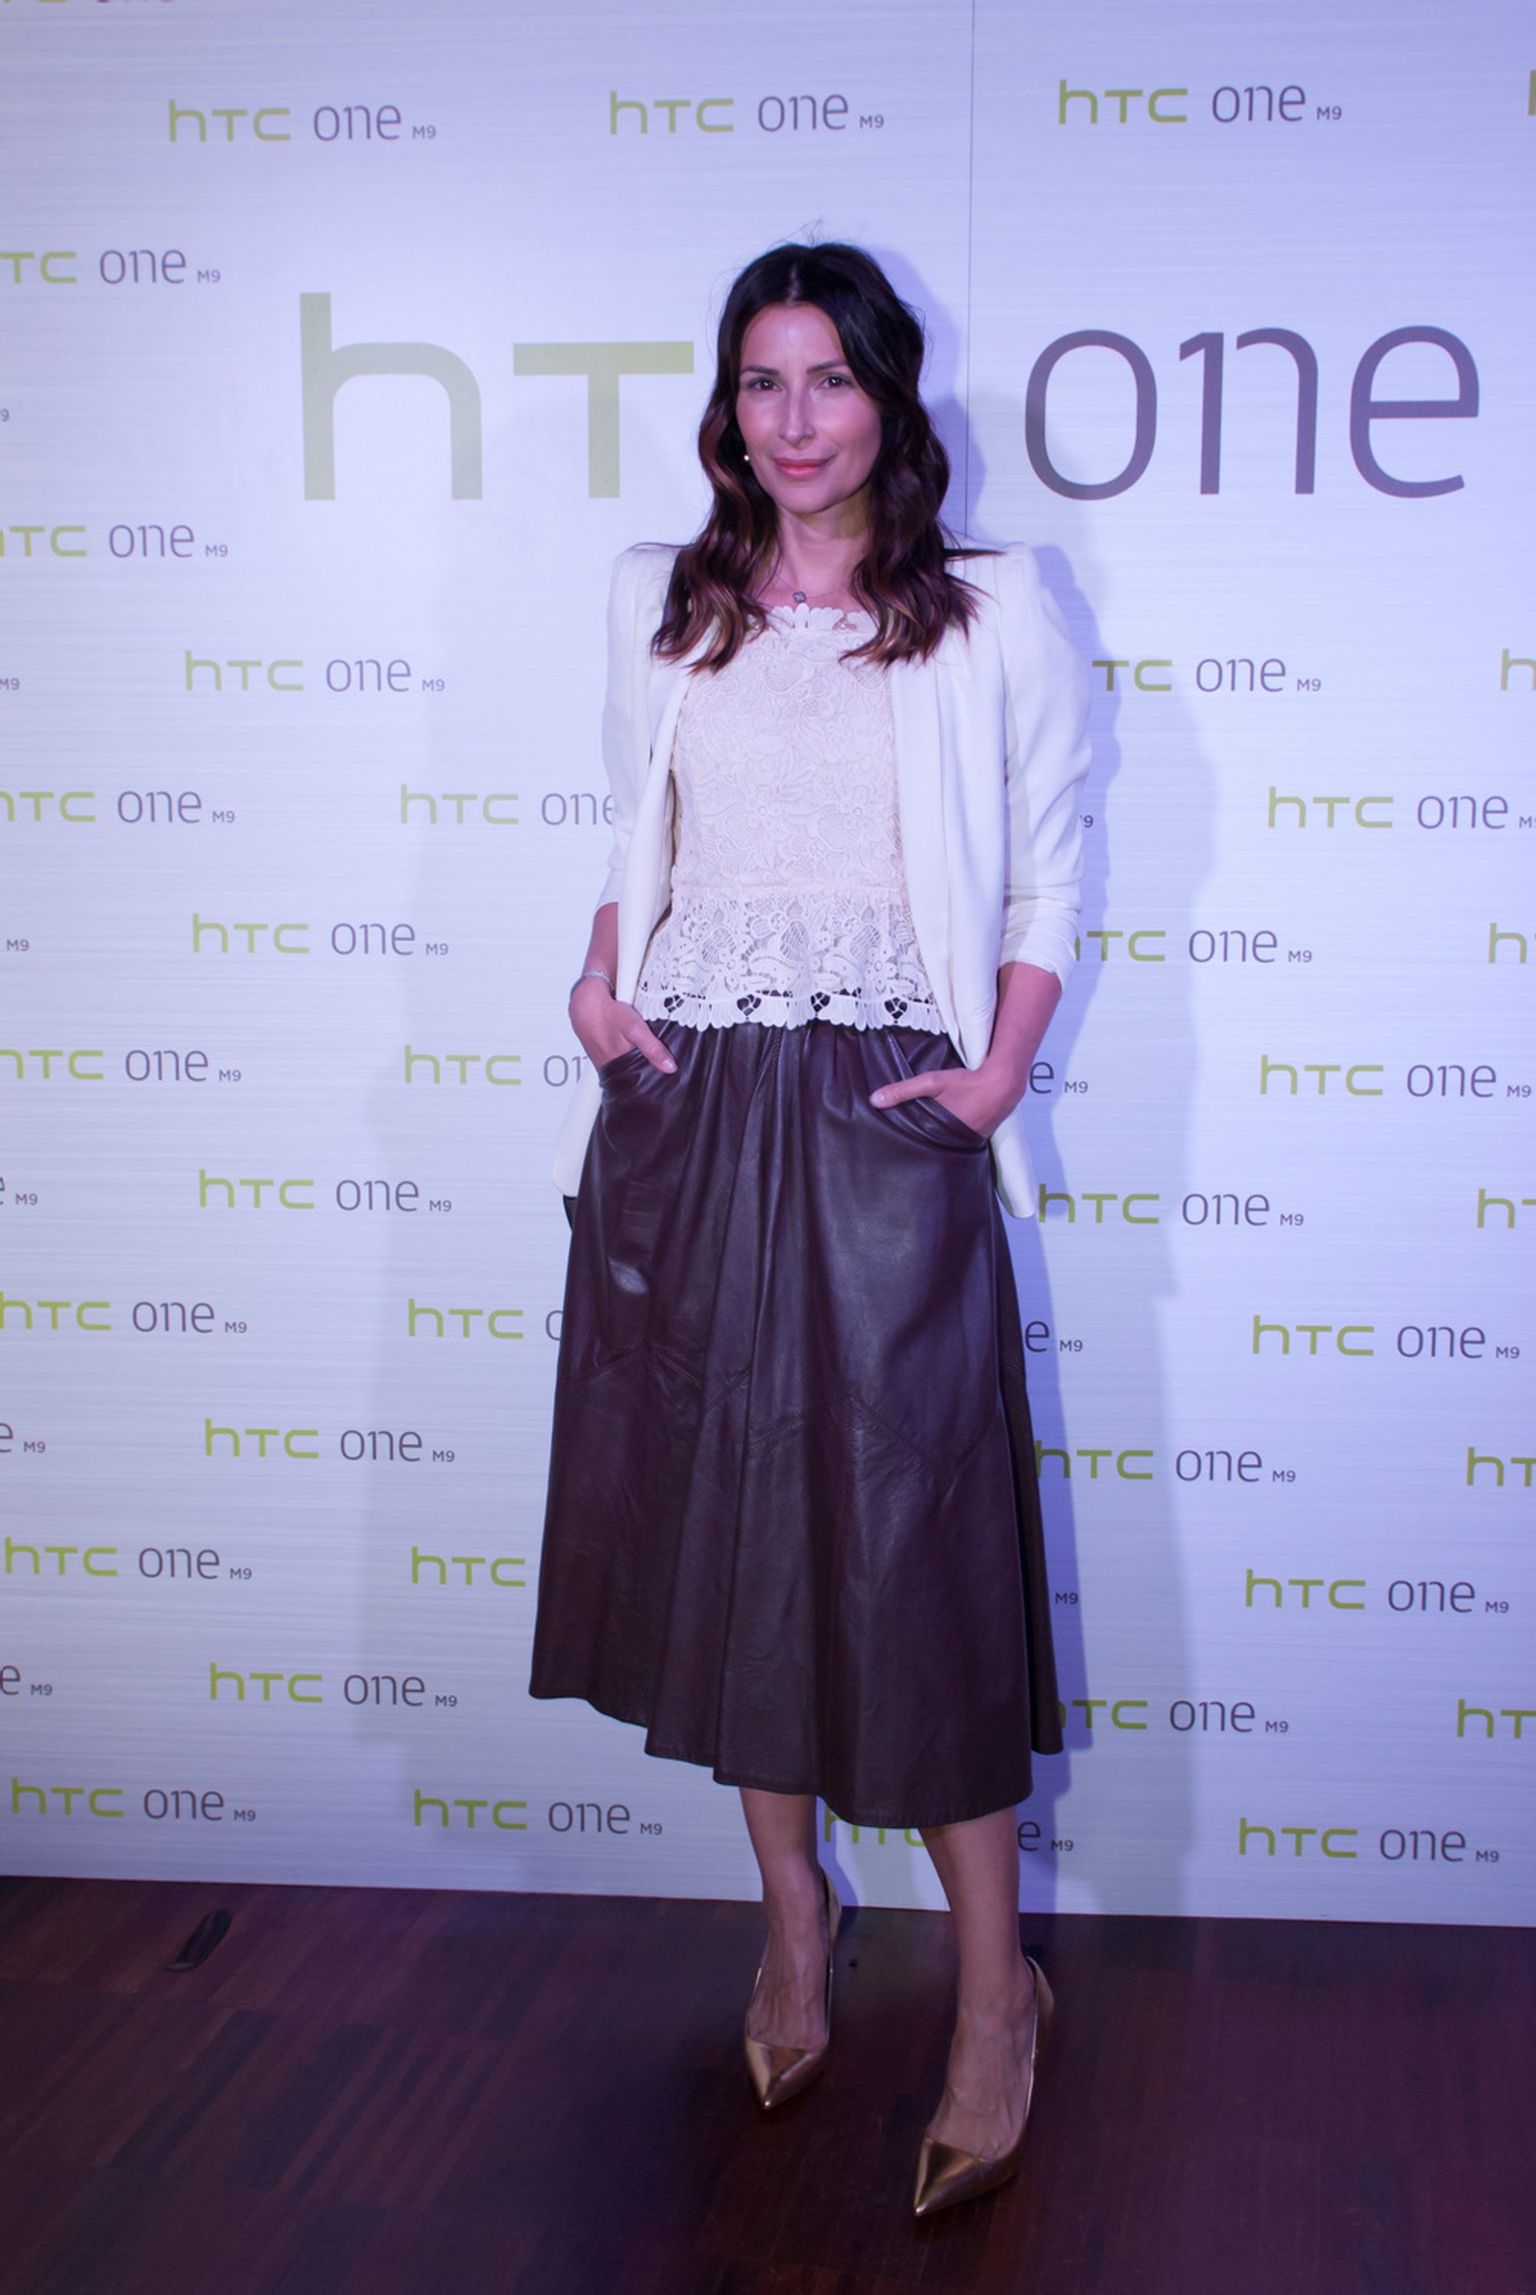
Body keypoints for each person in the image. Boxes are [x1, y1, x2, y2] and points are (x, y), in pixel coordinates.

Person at [530, 240, 1091, 2219]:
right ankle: (791, 1925)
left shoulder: (991, 610)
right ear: (727, 407)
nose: (793, 420)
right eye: (761, 382)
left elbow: (1045, 867)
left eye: (828, 380)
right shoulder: (660, 598)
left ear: (887, 398)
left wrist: (998, 1073)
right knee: (731, 1532)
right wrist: (599, 989)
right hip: (693, 1101)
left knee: (916, 1556)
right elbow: (642, 836)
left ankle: (994, 1999)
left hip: (887, 1102)